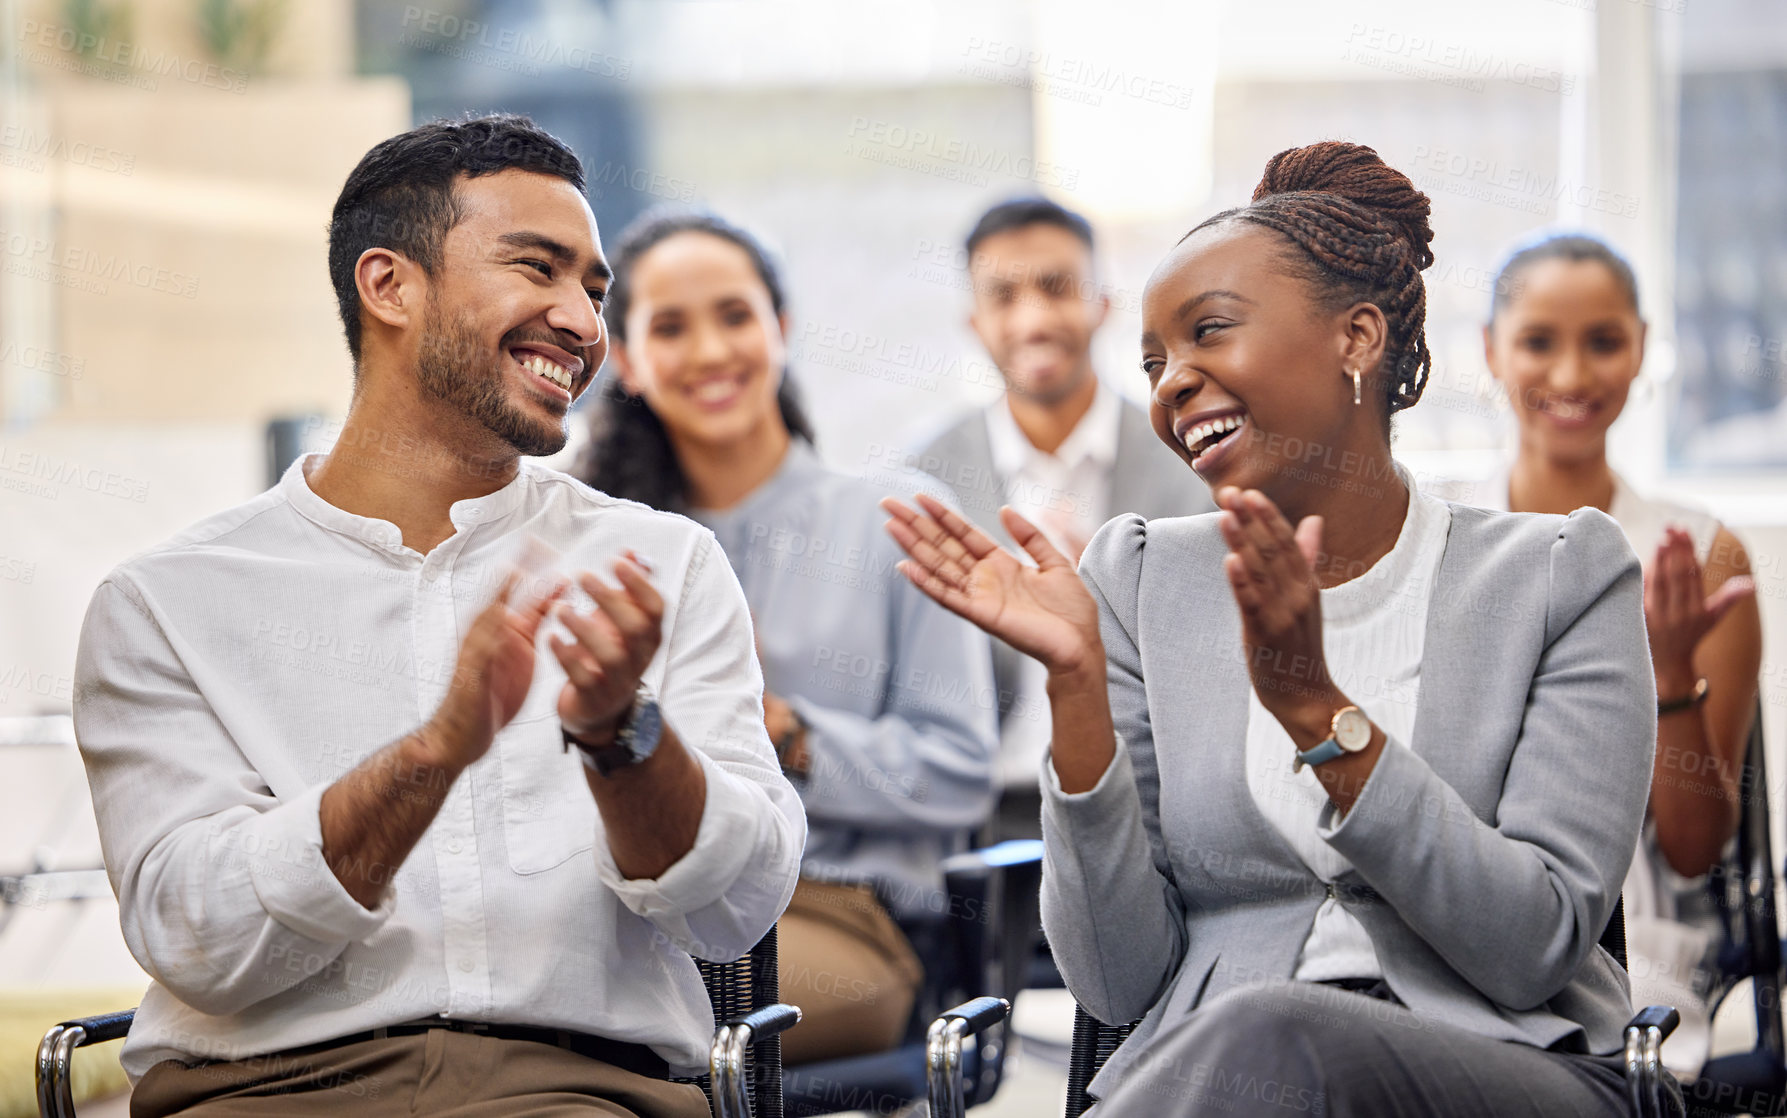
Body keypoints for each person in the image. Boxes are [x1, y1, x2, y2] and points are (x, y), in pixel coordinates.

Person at [882, 142, 1677, 1115]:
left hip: (1506, 1063)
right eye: (1153, 361)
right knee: (1264, 1039)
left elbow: (1533, 945)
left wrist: (1316, 710)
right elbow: (1117, 983)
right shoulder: (1136, 577)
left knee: (1282, 1030)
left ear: (1354, 338)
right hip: (1225, 1076)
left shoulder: (1557, 573)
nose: (1171, 382)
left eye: (1209, 332)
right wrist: (1075, 689)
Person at [72, 116, 804, 1118]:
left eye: (593, 290)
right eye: (536, 269)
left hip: (572, 1090)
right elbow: (192, 932)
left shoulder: (661, 565)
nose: (584, 323)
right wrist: (432, 755)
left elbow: (735, 906)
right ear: (388, 286)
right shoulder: (166, 601)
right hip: (262, 1091)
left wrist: (617, 734)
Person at [577, 210, 997, 1065]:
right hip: (633, 907)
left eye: (733, 315)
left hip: (837, 916)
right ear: (624, 359)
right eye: (669, 326)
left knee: (611, 1025)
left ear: (782, 327)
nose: (707, 352)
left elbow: (958, 770)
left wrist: (787, 733)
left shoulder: (896, 520)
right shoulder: (607, 541)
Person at [1476, 232, 1762, 1074]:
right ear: (1490, 351)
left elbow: (1692, 848)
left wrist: (1670, 676)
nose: (1570, 377)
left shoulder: (1702, 556)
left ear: (1640, 349)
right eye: (1538, 341)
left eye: (1602, 342)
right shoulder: (1437, 536)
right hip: (1464, 922)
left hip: (1637, 955)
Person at [915, 197, 1213, 839]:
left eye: (1056, 287)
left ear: (1103, 303)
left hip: (1158, 812)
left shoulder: (1196, 460)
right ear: (975, 320)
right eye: (1004, 295)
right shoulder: (926, 483)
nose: (1033, 318)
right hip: (978, 827)